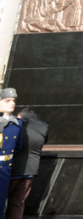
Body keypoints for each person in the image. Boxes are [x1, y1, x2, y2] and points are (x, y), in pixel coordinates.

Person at [6, 107, 47, 219]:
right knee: (18, 202)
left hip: (12, 169)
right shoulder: (44, 126)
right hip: (31, 170)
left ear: (19, 115)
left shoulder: (14, 125)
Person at [0, 89, 22, 219]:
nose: (12, 103)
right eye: (8, 100)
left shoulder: (17, 123)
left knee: (1, 200)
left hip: (6, 168)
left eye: (13, 101)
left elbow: (18, 146)